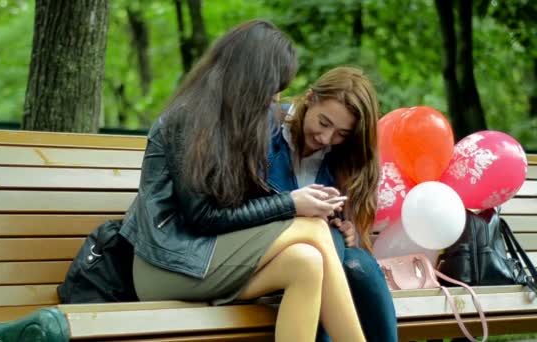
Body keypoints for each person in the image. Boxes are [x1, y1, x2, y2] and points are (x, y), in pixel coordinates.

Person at [118, 20, 366, 341]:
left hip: (210, 258)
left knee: (307, 263)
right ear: (251, 81)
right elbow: (204, 218)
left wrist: (303, 205)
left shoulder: (248, 124)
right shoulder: (186, 121)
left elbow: (243, 208)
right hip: (166, 265)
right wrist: (292, 203)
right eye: (274, 87)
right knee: (314, 230)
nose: (277, 98)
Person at [268, 66, 397, 342]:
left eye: (341, 133)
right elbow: (246, 206)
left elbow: (355, 233)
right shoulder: (267, 132)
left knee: (358, 262)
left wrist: (350, 231)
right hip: (272, 255)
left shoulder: (344, 159)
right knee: (329, 247)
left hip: (327, 257)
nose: (326, 139)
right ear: (310, 98)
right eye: (324, 123)